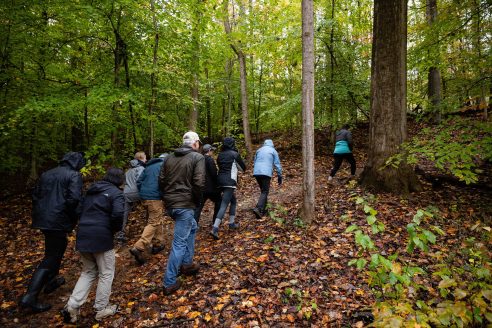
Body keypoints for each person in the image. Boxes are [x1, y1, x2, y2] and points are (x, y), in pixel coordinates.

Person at [19, 152, 85, 313]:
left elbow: (35, 195)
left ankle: (51, 280)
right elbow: (74, 199)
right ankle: (30, 297)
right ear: (76, 162)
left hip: (44, 218)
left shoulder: (47, 174)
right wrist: (74, 216)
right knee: (51, 256)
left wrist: (42, 211)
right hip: (58, 219)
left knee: (57, 249)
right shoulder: (73, 175)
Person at [61, 168, 125, 323]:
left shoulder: (90, 191)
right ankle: (101, 308)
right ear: (119, 180)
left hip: (83, 233)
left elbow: (78, 209)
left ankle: (72, 305)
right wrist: (113, 229)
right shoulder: (116, 194)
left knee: (88, 272)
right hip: (101, 235)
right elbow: (117, 214)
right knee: (106, 272)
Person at [158, 131, 205, 295]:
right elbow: (199, 182)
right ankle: (169, 282)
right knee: (179, 243)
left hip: (171, 204)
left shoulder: (169, 158)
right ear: (195, 143)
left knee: (192, 227)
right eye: (198, 143)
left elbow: (161, 181)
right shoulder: (197, 158)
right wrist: (197, 201)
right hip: (184, 204)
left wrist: (168, 198)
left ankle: (187, 263)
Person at [128, 153, 168, 265]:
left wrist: (144, 193)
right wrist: (162, 194)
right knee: (154, 222)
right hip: (154, 197)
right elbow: (164, 182)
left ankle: (158, 243)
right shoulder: (164, 166)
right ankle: (139, 246)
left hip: (145, 197)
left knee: (156, 218)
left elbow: (139, 182)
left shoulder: (149, 166)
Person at [210, 137, 246, 240]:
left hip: (220, 180)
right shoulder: (234, 154)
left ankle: (231, 223)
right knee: (224, 204)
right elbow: (243, 168)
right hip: (229, 181)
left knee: (233, 201)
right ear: (232, 144)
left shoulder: (220, 155)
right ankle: (215, 228)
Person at [115, 151, 147, 244]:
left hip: (126, 193)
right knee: (149, 208)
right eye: (145, 158)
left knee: (124, 213)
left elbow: (124, 183)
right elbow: (139, 181)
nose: (146, 159)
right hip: (138, 192)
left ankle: (121, 233)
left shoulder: (128, 170)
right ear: (141, 158)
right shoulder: (141, 168)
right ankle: (147, 230)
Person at [252, 139, 283, 219]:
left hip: (256, 172)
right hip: (266, 173)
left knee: (263, 191)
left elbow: (255, 161)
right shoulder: (273, 151)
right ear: (272, 144)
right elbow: (277, 164)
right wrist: (280, 176)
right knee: (265, 191)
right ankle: (258, 208)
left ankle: (264, 211)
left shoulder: (259, 150)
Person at [194, 144, 221, 225]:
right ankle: (215, 221)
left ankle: (194, 224)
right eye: (212, 150)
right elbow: (213, 173)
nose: (212, 152)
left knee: (199, 207)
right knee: (219, 202)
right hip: (211, 188)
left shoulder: (199, 159)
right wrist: (218, 184)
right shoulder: (209, 159)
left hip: (201, 187)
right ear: (209, 151)